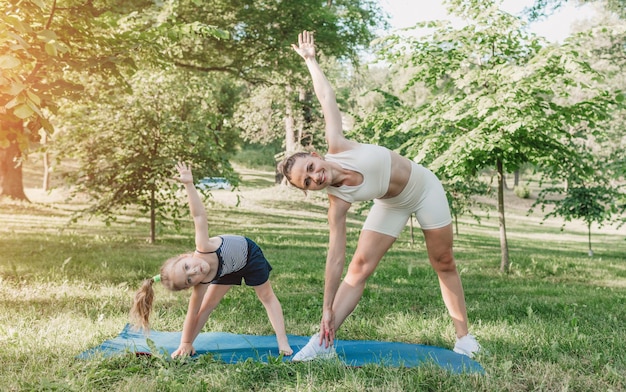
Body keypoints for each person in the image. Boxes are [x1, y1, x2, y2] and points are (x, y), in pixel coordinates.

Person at [279, 31, 480, 361]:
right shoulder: (337, 204)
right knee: (358, 267)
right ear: (308, 190)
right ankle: (323, 343)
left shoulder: (339, 146)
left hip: (425, 188)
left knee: (443, 261)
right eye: (308, 182)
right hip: (392, 204)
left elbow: (326, 98)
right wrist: (326, 307)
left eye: (312, 168)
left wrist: (311, 61)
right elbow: (335, 258)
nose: (316, 177)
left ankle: (465, 339)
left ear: (315, 154)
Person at [130, 162, 293, 357]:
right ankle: (187, 343)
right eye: (189, 279)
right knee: (207, 305)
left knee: (265, 295)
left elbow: (198, 216)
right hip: (226, 269)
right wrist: (185, 343)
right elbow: (193, 314)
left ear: (187, 256)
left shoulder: (203, 247)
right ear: (191, 285)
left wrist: (189, 185)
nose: (194, 272)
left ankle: (282, 341)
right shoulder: (202, 282)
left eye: (187, 266)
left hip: (249, 256)